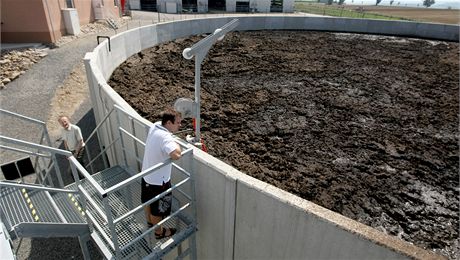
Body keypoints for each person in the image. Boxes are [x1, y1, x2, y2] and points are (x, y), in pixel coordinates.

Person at [141, 109, 182, 240]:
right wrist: (176, 143)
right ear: (169, 123)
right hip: (159, 182)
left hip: (147, 176)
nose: (180, 125)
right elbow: (176, 155)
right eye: (178, 123)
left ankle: (149, 223)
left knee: (148, 202)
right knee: (157, 210)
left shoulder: (155, 125)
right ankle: (159, 232)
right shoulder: (165, 137)